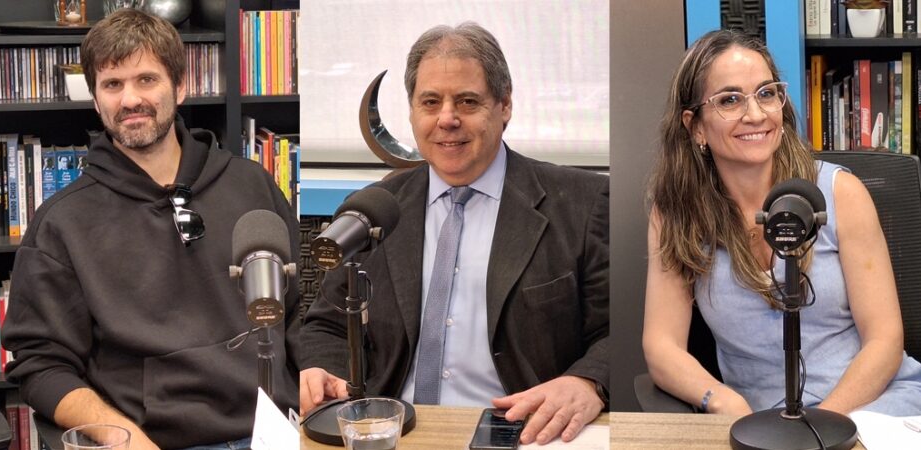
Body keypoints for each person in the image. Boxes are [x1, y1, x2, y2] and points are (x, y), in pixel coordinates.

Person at [2, 10, 303, 449]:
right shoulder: (62, 222)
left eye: (146, 80)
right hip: (151, 440)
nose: (130, 100)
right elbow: (40, 365)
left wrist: (317, 369)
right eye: (112, 84)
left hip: (275, 432)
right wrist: (121, 438)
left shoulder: (251, 185)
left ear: (179, 86)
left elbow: (301, 309)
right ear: (96, 99)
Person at [297, 22, 609, 445]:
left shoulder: (582, 204)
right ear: (412, 112)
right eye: (430, 102)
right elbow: (326, 325)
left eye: (467, 101)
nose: (447, 119)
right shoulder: (372, 210)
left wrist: (587, 382)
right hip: (393, 431)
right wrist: (322, 370)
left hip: (521, 432)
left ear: (504, 105)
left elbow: (618, 332)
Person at [643, 29, 921, 416]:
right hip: (761, 423)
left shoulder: (842, 193)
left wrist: (822, 425)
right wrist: (720, 399)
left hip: (872, 406)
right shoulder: (677, 213)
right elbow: (662, 346)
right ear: (696, 126)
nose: (756, 114)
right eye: (729, 99)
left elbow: (885, 339)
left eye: (766, 93)